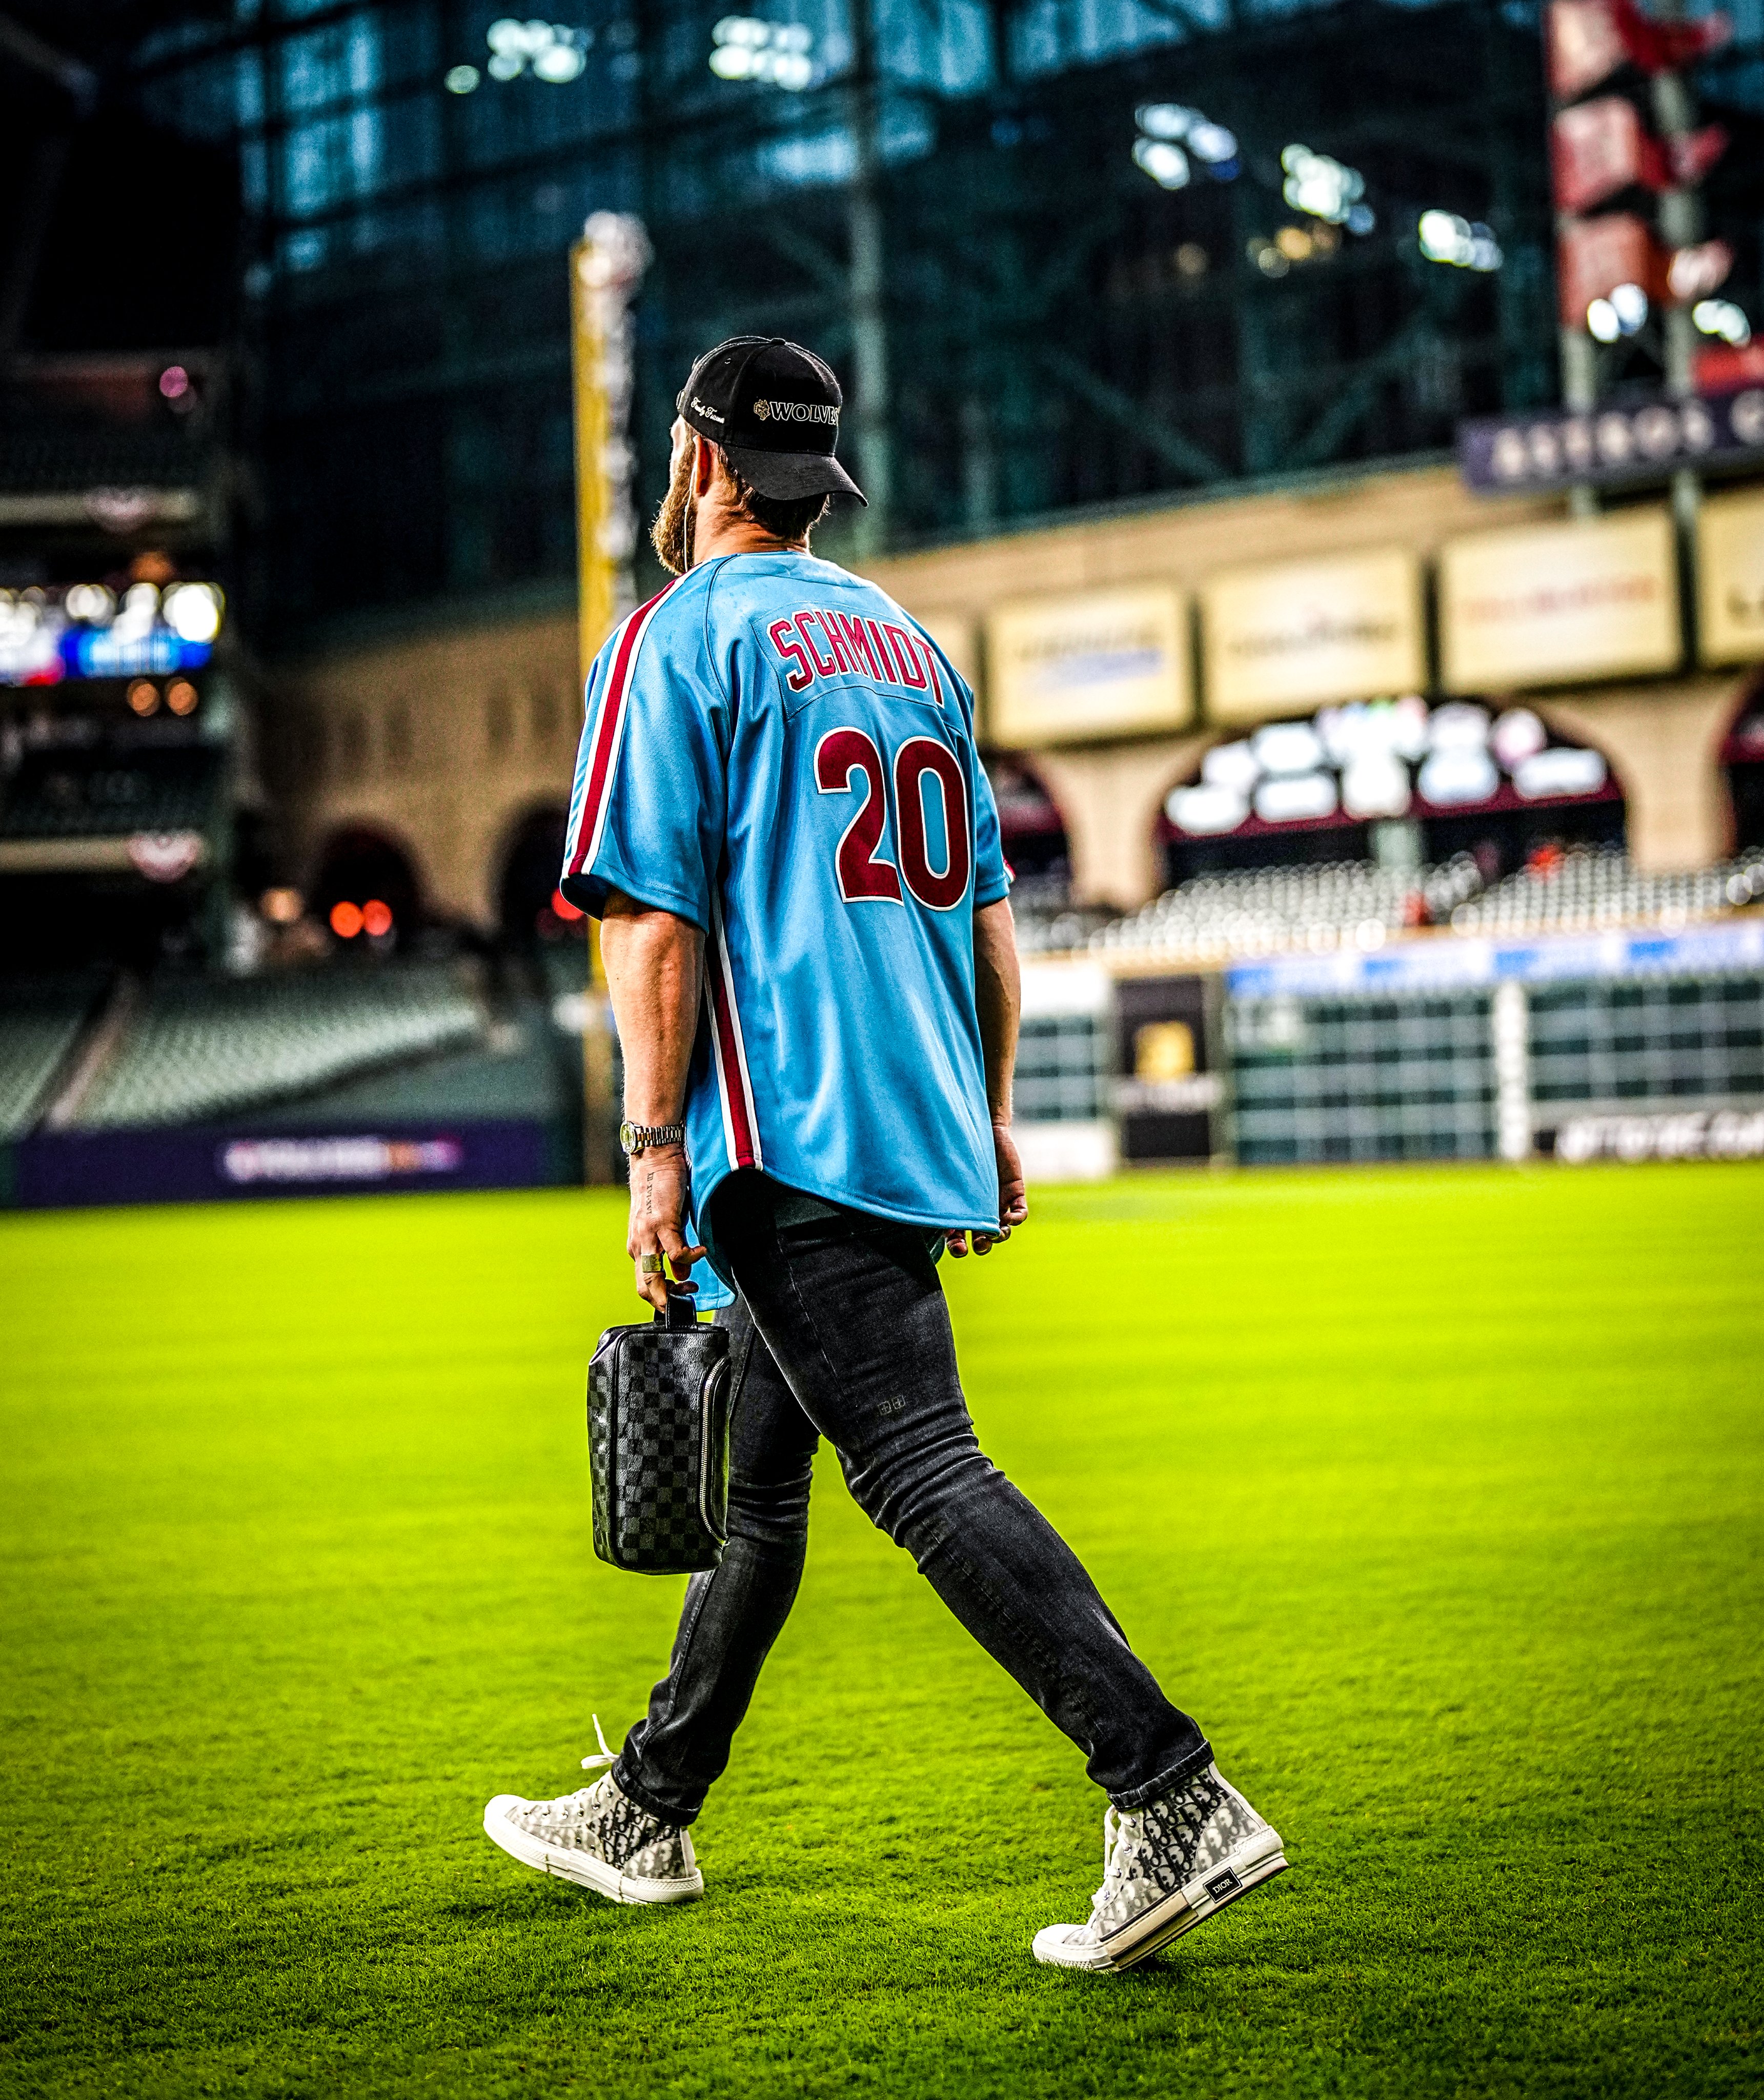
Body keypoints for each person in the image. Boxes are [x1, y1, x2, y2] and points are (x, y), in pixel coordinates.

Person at [481, 335, 1286, 1971]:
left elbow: (652, 924)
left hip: (788, 1124)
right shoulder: (908, 641)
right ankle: (650, 1805)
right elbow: (993, 923)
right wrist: (985, 1112)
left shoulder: (671, 637)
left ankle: (1167, 1785)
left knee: (918, 1466)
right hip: (911, 1105)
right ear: (813, 477)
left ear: (702, 461)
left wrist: (651, 1154)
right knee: (762, 1486)